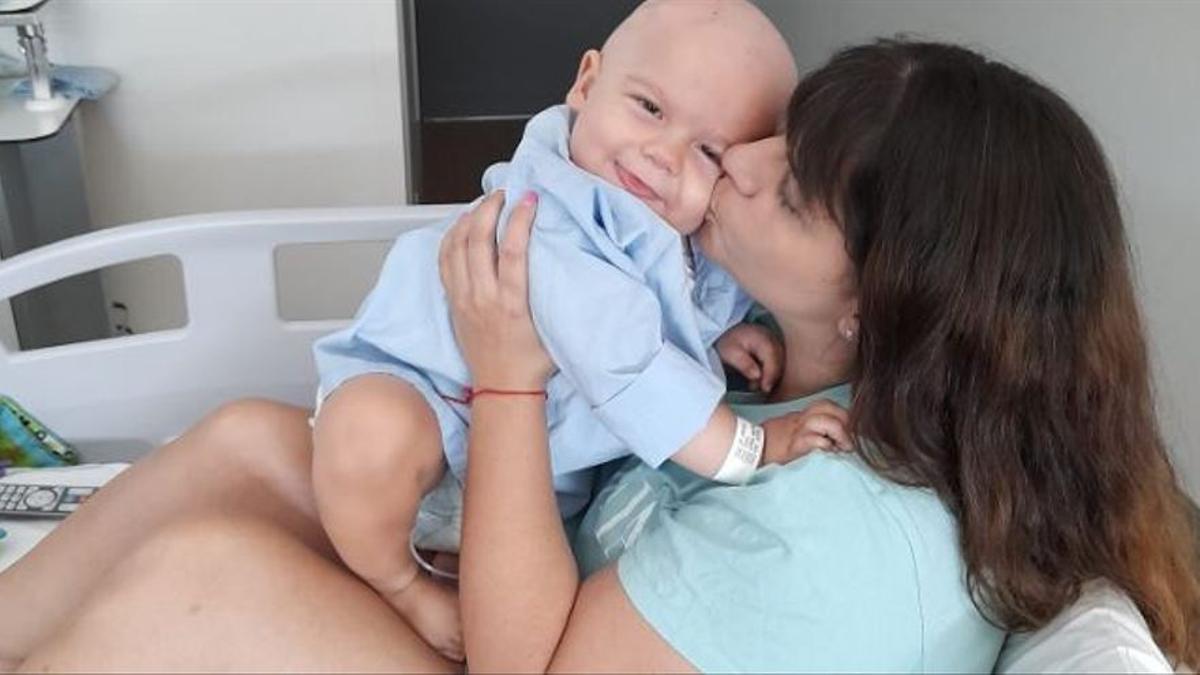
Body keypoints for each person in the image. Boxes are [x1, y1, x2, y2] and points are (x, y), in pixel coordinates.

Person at [3, 38, 1198, 672]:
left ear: (885, 299)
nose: (730, 168)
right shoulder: (824, 373)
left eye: (785, 186)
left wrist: (506, 373)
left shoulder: (830, 535)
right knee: (259, 442)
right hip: (544, 593)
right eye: (766, 141)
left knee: (205, 579)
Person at [308, 1, 823, 658]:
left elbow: (670, 296)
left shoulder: (671, 226)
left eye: (708, 150)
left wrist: (712, 334)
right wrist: (752, 446)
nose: (661, 156)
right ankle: (397, 581)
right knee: (368, 438)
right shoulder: (549, 217)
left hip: (517, 473)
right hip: (425, 409)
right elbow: (623, 357)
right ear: (587, 83)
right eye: (649, 109)